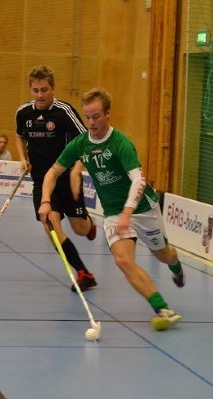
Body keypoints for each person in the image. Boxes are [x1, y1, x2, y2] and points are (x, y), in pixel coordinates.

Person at [38, 88, 185, 331]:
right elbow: (53, 172)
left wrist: (128, 213)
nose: (91, 122)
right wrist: (45, 200)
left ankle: (175, 264)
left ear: (108, 114)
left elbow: (139, 180)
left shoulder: (120, 143)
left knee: (164, 254)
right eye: (87, 117)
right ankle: (163, 309)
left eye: (96, 116)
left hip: (143, 210)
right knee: (123, 260)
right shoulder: (81, 144)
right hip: (114, 213)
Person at [15, 65, 98, 292]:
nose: (40, 95)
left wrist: (77, 169)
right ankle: (83, 273)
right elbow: (19, 136)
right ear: (30, 90)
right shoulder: (23, 113)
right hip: (42, 181)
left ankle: (89, 224)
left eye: (44, 90)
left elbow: (86, 140)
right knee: (50, 226)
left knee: (80, 228)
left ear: (53, 89)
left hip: (65, 178)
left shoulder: (64, 111)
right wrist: (22, 158)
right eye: (35, 90)